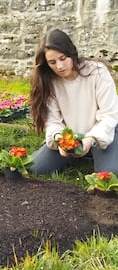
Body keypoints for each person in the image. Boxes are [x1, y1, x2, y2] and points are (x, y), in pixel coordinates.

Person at [29, 28, 118, 175]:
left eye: (63, 58)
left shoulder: (97, 72)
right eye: (52, 62)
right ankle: (77, 155)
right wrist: (59, 140)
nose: (59, 67)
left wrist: (90, 139)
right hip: (70, 138)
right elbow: (52, 121)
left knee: (109, 174)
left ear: (71, 52)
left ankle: (94, 154)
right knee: (36, 168)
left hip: (100, 134)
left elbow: (108, 116)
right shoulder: (50, 82)